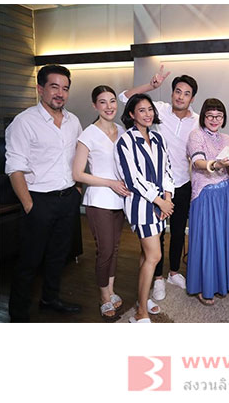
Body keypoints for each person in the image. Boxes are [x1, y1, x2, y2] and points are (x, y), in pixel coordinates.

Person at [5, 64, 82, 322]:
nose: (60, 93)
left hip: (67, 199)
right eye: (54, 87)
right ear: (40, 89)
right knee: (29, 260)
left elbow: (79, 158)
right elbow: (15, 168)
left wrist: (77, 190)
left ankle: (50, 299)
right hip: (38, 201)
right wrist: (29, 205)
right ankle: (18, 314)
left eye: (65, 88)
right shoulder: (24, 122)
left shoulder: (73, 121)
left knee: (59, 255)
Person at [119, 67, 198, 301]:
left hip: (181, 182)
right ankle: (158, 278)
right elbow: (125, 98)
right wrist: (151, 86)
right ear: (172, 93)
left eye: (186, 93)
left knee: (178, 231)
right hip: (154, 186)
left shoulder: (196, 121)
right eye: (177, 91)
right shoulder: (158, 110)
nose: (180, 96)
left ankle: (174, 272)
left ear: (192, 98)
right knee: (157, 233)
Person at [115, 94, 175, 323]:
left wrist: (167, 199)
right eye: (141, 110)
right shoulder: (125, 142)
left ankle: (144, 299)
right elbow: (132, 179)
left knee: (145, 254)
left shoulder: (158, 139)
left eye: (150, 109)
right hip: (142, 206)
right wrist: (160, 201)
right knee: (155, 255)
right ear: (131, 114)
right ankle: (141, 312)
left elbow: (167, 170)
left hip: (161, 205)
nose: (148, 114)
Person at [72, 85, 130, 321]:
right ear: (95, 105)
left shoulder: (122, 130)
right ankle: (104, 297)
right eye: (103, 102)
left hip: (120, 199)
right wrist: (110, 183)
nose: (109, 106)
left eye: (112, 101)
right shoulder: (88, 134)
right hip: (98, 200)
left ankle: (111, 290)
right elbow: (77, 173)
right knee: (104, 250)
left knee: (114, 248)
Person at [185, 98, 229, 305]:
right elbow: (198, 162)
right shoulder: (196, 135)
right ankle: (204, 287)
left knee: (223, 239)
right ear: (203, 117)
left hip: (225, 193)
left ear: (224, 118)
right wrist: (217, 163)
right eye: (210, 116)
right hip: (205, 194)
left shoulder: (227, 138)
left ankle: (221, 282)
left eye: (219, 116)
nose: (214, 120)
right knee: (206, 241)